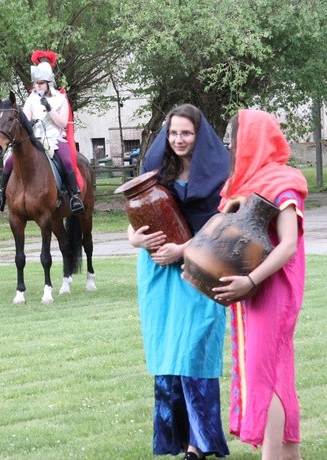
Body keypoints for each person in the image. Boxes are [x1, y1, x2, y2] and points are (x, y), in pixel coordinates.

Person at [127, 104, 230, 459]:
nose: (179, 139)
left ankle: (198, 443)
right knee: (169, 355)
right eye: (173, 133)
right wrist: (137, 240)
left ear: (199, 135)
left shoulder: (221, 177)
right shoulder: (158, 174)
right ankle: (178, 441)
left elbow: (224, 233)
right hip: (158, 273)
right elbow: (133, 225)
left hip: (199, 271)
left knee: (194, 353)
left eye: (186, 133)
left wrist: (181, 249)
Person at [213, 109, 307, 460]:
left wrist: (251, 279)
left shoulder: (283, 181)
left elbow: (287, 245)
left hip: (274, 289)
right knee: (277, 372)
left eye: (235, 138)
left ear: (252, 139)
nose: (232, 147)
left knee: (263, 373)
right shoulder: (245, 184)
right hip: (252, 288)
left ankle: (272, 456)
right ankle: (290, 455)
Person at [0, 50, 84, 213]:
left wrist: (49, 108)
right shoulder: (32, 98)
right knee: (10, 162)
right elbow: (25, 118)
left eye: (41, 83)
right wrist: (28, 123)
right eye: (36, 83)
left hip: (55, 139)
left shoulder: (61, 99)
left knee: (67, 161)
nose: (37, 86)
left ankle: (74, 196)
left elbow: (62, 123)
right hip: (35, 139)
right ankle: (0, 196)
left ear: (48, 83)